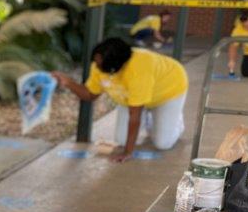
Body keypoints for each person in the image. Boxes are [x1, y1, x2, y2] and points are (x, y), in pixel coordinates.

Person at [52, 37, 188, 163]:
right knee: (121, 140)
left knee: (163, 143)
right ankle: (150, 118)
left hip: (168, 91)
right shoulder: (100, 63)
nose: (96, 68)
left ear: (116, 68)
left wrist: (128, 152)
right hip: (130, 97)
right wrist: (68, 82)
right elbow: (90, 95)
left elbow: (134, 117)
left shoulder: (138, 70)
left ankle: (176, 122)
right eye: (96, 62)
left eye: (100, 67)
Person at [227, 9, 248, 78]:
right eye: (245, 25)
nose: (247, 27)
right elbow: (233, 46)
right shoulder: (238, 30)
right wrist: (231, 60)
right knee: (246, 73)